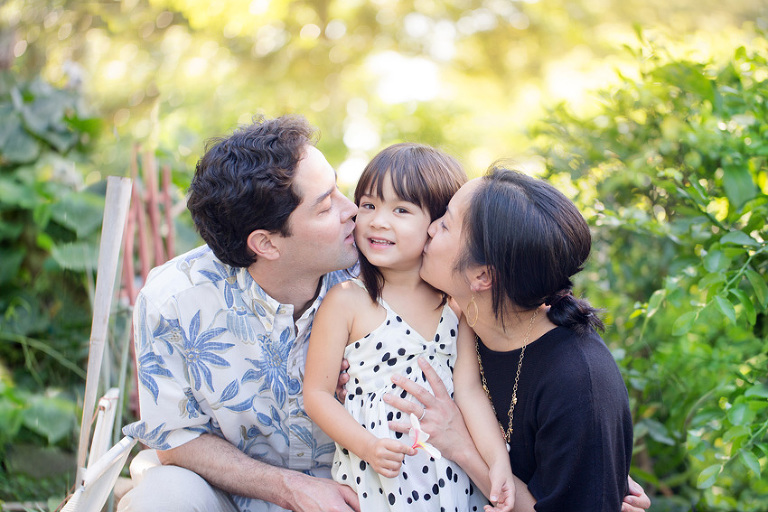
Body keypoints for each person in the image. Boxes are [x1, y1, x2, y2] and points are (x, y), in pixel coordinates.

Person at [119, 115, 362, 512]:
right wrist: (289, 488)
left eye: (338, 189)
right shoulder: (173, 301)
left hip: (357, 490)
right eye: (325, 207)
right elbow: (176, 439)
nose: (351, 209)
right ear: (266, 243)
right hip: (231, 496)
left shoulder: (378, 278)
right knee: (161, 496)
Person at [384, 166, 650, 512]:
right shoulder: (447, 319)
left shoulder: (579, 385)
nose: (430, 228)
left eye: (445, 223)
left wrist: (462, 447)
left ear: (481, 275)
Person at [303, 143, 515, 512]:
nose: (378, 220)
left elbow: (468, 390)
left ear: (436, 225)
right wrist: (367, 445)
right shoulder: (347, 300)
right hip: (380, 481)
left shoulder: (455, 305)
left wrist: (498, 461)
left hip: (452, 482)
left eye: (401, 210)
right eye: (368, 205)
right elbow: (317, 395)